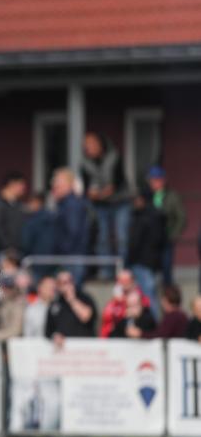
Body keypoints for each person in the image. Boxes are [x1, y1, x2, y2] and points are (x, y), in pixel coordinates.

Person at [80, 132, 130, 279]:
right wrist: (91, 193)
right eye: (86, 145)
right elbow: (86, 187)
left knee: (122, 237)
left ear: (100, 144)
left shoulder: (114, 157)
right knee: (102, 238)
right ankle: (106, 271)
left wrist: (105, 191)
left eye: (92, 143)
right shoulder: (84, 164)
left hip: (120, 202)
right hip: (100, 205)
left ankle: (123, 270)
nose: (89, 147)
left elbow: (117, 183)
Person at [125, 190, 166, 317]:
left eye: (138, 199)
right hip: (145, 263)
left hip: (144, 263)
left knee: (148, 296)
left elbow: (136, 242)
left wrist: (130, 260)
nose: (136, 202)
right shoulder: (146, 215)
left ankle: (151, 324)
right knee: (143, 296)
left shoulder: (147, 217)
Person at [147, 167, 186, 287]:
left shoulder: (172, 196)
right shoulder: (147, 196)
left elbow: (181, 217)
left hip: (166, 237)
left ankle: (168, 292)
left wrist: (174, 234)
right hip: (150, 239)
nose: (155, 183)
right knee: (149, 269)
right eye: (152, 180)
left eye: (157, 180)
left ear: (163, 180)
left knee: (166, 266)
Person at [50, 168, 90, 286]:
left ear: (69, 185)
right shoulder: (64, 204)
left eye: (58, 184)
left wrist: (61, 251)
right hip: (70, 257)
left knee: (70, 291)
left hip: (71, 258)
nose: (54, 187)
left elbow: (73, 232)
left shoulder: (71, 205)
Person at [45, 270, 97, 344]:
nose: (66, 286)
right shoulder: (55, 303)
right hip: (63, 350)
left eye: (68, 282)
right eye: (61, 283)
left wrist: (71, 299)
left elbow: (86, 316)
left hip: (85, 348)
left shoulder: (84, 298)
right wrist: (55, 336)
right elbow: (48, 331)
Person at [99, 270, 151, 338]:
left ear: (132, 281)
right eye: (121, 280)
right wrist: (124, 312)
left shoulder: (141, 299)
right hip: (113, 339)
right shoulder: (114, 302)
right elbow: (107, 318)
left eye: (127, 280)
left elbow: (149, 320)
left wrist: (138, 312)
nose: (124, 283)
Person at [0, 172, 27, 258]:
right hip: (5, 252)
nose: (24, 188)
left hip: (18, 251)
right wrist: (7, 247)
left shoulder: (18, 204)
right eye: (21, 184)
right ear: (12, 184)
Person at [20, 192, 55, 279]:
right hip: (53, 261)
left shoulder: (32, 221)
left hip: (35, 261)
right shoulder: (54, 218)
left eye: (30, 202)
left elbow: (26, 243)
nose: (28, 205)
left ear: (37, 203)